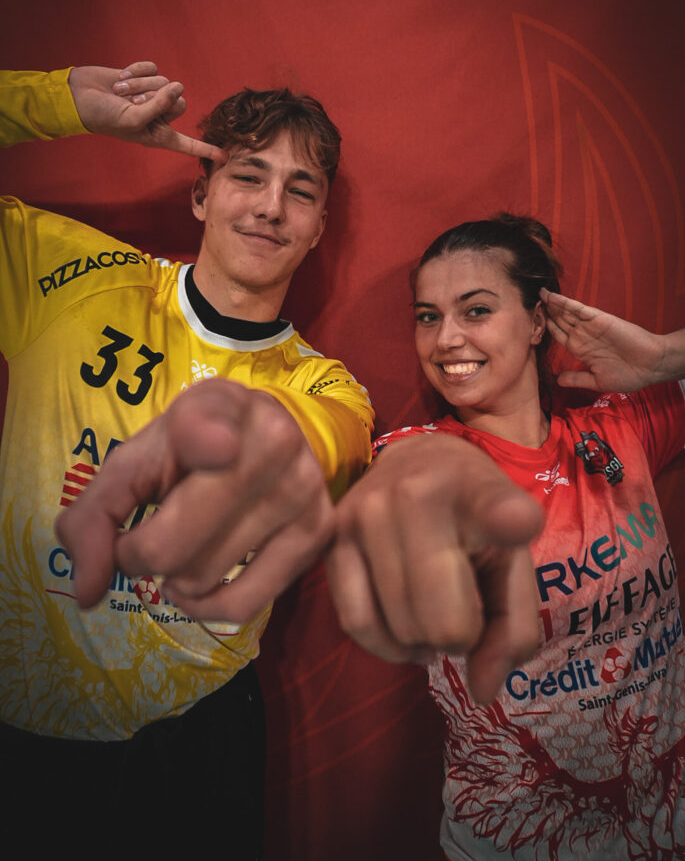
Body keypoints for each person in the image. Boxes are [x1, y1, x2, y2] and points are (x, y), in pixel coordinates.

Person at [0, 62, 374, 846]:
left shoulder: (329, 388)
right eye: (248, 175)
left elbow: (326, 448)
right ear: (201, 194)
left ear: (318, 227)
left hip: (196, 743)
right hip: (23, 733)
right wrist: (58, 103)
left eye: (300, 191)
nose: (270, 207)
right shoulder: (72, 281)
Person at [337, 214, 685, 860]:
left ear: (536, 322)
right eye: (427, 317)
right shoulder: (423, 456)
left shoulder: (621, 429)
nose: (446, 339)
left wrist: (664, 357)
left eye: (475, 310)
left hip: (667, 829)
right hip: (516, 839)